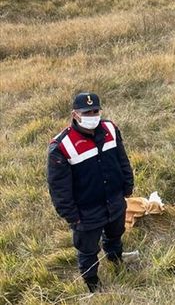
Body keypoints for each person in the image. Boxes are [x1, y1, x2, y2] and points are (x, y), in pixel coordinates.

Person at [47, 92, 135, 292]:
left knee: (115, 235)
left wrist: (128, 185)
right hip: (86, 210)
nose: (92, 115)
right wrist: (71, 216)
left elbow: (122, 159)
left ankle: (115, 260)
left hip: (114, 200)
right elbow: (58, 187)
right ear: (75, 114)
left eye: (95, 111)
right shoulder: (61, 146)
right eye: (87, 112)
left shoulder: (110, 129)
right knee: (87, 251)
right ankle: (93, 284)